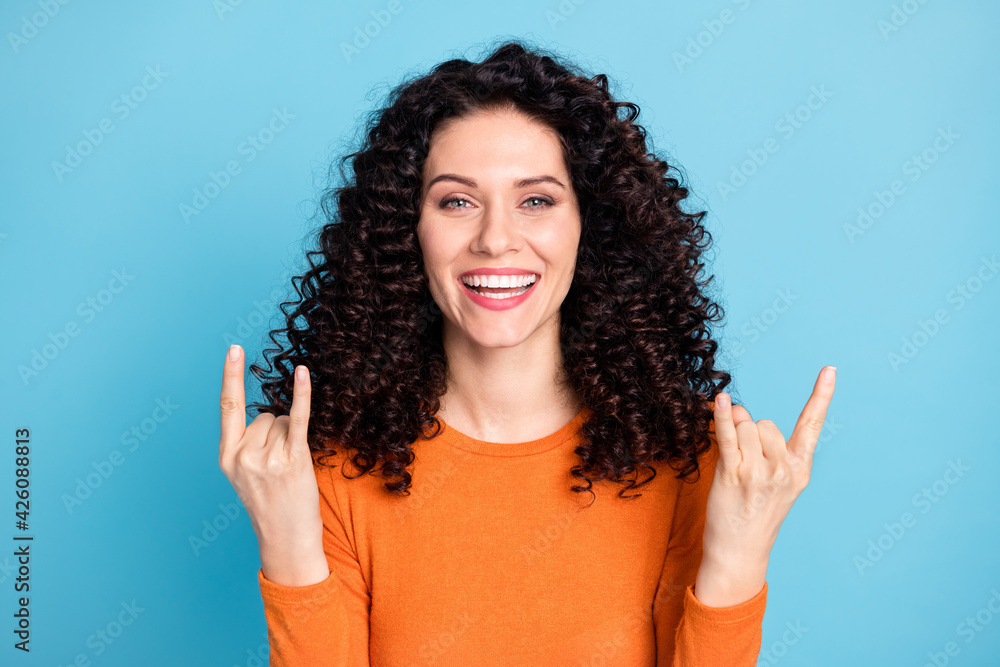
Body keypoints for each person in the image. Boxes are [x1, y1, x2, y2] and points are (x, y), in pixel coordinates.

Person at [217, 38, 836, 666]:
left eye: (536, 200)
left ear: (590, 225)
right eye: (457, 201)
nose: (495, 239)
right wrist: (288, 543)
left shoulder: (686, 461)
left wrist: (739, 557)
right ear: (408, 229)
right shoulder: (327, 466)